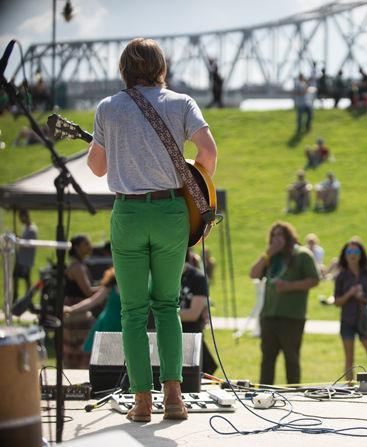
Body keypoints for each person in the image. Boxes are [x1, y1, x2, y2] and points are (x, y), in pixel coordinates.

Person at [87, 38, 218, 422]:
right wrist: (191, 177)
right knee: (166, 306)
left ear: (124, 70)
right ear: (161, 67)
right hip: (171, 212)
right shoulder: (181, 103)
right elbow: (208, 153)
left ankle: (142, 402)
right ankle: (174, 398)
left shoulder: (108, 108)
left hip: (128, 214)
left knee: (131, 311)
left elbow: (97, 168)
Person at [249, 222, 320, 385]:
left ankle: (294, 393)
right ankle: (264, 393)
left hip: (292, 317)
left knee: (292, 360)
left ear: (289, 236)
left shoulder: (302, 254)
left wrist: (290, 286)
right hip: (269, 316)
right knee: (267, 360)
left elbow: (314, 280)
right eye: (273, 235)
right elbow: (253, 274)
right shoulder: (271, 257)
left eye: (280, 235)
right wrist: (267, 253)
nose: (276, 239)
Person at [334, 238, 367, 381]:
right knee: (349, 361)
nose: (352, 254)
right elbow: (336, 302)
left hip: (365, 321)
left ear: (361, 254)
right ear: (345, 254)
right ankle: (349, 390)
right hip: (347, 321)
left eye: (356, 251)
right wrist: (349, 294)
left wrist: (363, 297)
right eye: (349, 251)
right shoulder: (341, 276)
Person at [63, 267, 121, 356]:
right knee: (102, 357)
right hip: (106, 325)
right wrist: (71, 309)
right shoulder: (111, 286)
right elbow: (92, 301)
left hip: (123, 326)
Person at [63, 235, 99, 369]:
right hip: (77, 312)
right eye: (86, 244)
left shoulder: (76, 264)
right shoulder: (77, 267)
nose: (90, 246)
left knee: (75, 348)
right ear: (77, 247)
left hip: (73, 310)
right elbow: (88, 291)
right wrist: (108, 286)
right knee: (83, 347)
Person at [13, 209, 38, 303]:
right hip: (21, 258)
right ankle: (18, 298)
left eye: (21, 217)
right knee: (17, 278)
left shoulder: (32, 230)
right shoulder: (26, 228)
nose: (20, 219)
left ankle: (28, 300)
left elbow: (27, 244)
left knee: (26, 280)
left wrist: (18, 239)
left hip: (26, 260)